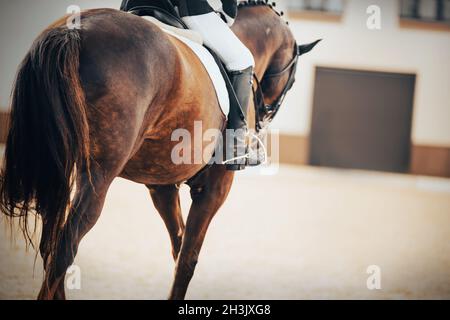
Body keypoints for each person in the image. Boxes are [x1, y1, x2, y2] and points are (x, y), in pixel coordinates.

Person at [120, 0, 263, 170]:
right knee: (242, 60)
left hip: (132, 6)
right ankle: (235, 147)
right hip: (187, 8)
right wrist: (228, 12)